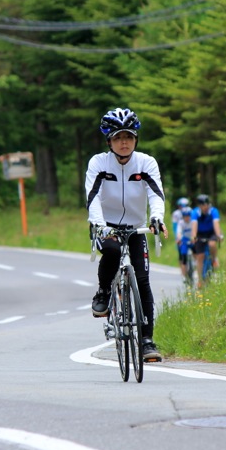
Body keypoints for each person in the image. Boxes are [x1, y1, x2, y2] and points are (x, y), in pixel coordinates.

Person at [85, 107, 168, 362]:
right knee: (110, 250)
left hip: (136, 227)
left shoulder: (146, 163)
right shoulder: (99, 163)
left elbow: (156, 194)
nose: (124, 142)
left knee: (142, 280)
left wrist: (157, 218)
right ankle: (103, 292)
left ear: (136, 139)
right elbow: (93, 197)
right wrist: (100, 225)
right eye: (118, 137)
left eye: (129, 137)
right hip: (106, 225)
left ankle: (146, 341)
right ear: (108, 140)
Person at [190, 194, 223, 288]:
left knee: (212, 244)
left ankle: (214, 258)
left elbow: (216, 224)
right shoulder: (195, 212)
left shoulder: (213, 211)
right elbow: (194, 226)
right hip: (200, 234)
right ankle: (200, 280)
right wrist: (193, 236)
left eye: (207, 205)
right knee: (200, 256)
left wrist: (218, 235)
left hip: (211, 232)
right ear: (199, 206)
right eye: (203, 206)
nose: (205, 208)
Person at [175, 206, 193, 282]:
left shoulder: (193, 222)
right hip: (184, 240)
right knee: (184, 257)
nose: (187, 218)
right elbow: (179, 232)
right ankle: (184, 275)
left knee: (197, 252)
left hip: (192, 239)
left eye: (188, 216)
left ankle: (195, 264)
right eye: (185, 216)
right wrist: (179, 239)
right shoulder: (181, 223)